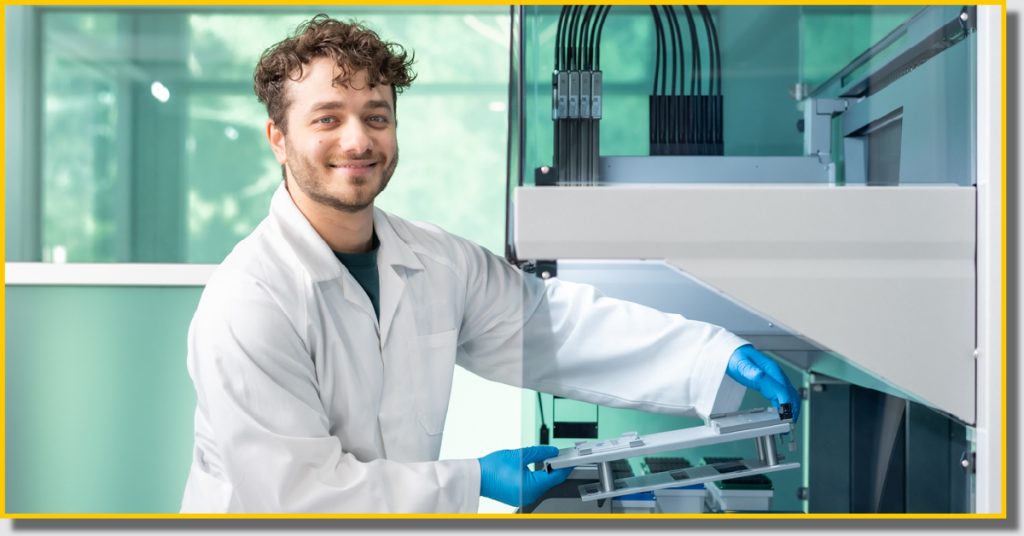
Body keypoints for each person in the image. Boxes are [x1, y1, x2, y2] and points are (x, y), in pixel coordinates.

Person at [180, 14, 800, 513]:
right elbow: (301, 498)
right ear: (279, 139)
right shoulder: (250, 301)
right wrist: (472, 478)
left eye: (376, 116)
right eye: (327, 119)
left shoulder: (432, 260)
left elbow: (552, 326)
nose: (358, 140)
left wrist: (709, 355)